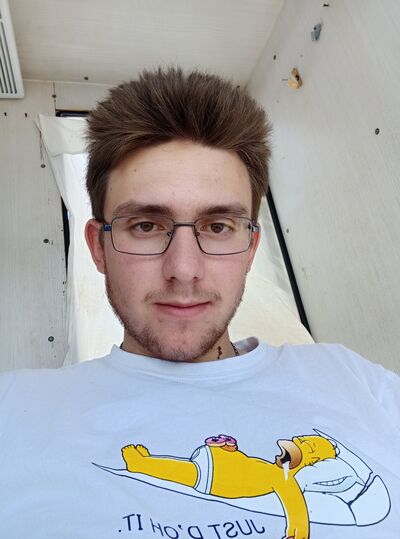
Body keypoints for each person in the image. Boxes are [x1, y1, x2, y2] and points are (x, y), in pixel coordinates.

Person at [0, 67, 399, 539]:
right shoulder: (14, 411)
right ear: (98, 247)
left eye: (218, 226)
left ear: (250, 248)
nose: (184, 269)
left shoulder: (356, 381)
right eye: (146, 226)